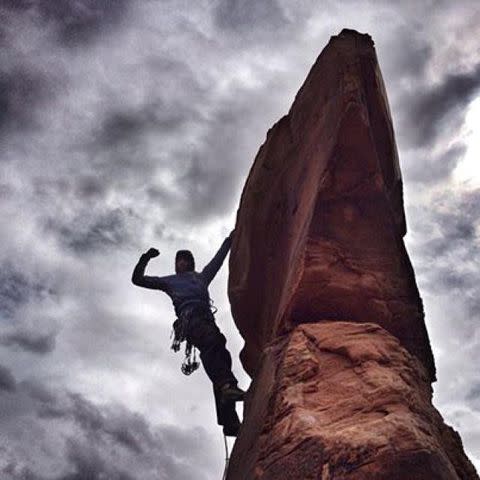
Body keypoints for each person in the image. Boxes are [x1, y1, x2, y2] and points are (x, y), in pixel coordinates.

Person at [131, 229, 245, 436]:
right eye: (178, 260)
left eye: (183, 260)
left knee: (221, 355)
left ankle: (230, 421)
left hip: (205, 319)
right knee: (212, 343)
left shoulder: (200, 277)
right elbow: (138, 280)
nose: (180, 263)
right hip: (190, 320)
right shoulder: (169, 281)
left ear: (190, 263)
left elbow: (217, 261)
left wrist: (229, 240)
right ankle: (228, 388)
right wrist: (145, 258)